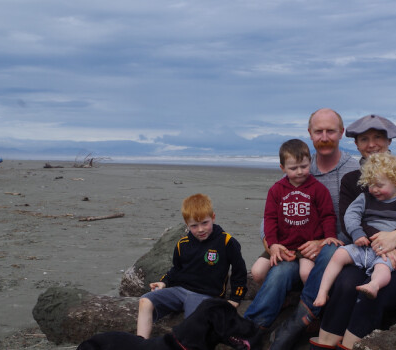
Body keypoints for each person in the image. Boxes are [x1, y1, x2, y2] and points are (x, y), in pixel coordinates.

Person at [310, 114, 396, 350]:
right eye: (364, 139)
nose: (372, 144)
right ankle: (323, 344)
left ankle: (350, 346)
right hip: (364, 254)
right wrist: (380, 243)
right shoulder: (352, 180)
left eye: (378, 137)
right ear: (356, 145)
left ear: (389, 141)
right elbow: (350, 222)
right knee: (345, 286)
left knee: (376, 293)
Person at [244, 108, 359, 349]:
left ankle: (301, 319)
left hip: (328, 246)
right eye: (319, 131)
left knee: (325, 253)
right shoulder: (298, 163)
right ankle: (251, 329)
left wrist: (323, 241)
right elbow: (271, 215)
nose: (324, 136)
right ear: (310, 133)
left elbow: (355, 219)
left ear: (341, 133)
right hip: (291, 244)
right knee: (275, 273)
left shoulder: (353, 171)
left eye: (331, 130)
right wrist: (272, 244)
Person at [314, 152, 396, 307]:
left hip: (390, 253)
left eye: (379, 185)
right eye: (370, 184)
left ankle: (374, 285)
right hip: (364, 248)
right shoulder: (364, 199)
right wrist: (357, 233)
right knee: (339, 255)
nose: (374, 189)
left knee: (383, 269)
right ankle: (322, 292)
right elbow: (350, 216)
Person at [136, 193, 248, 339]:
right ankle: (141, 343)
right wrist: (163, 282)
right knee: (145, 301)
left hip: (206, 296)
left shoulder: (227, 242)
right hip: (179, 290)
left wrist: (235, 299)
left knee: (191, 323)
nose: (200, 229)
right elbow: (176, 269)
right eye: (194, 225)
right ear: (186, 223)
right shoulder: (182, 244)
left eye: (205, 223)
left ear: (213, 217)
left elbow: (240, 272)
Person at [250, 139, 339, 288]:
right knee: (257, 271)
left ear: (310, 162)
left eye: (304, 166)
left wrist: (329, 236)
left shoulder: (318, 189)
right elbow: (270, 219)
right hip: (283, 245)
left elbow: (328, 216)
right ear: (282, 168)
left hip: (307, 246)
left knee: (306, 273)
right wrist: (272, 244)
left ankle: (307, 302)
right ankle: (279, 295)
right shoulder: (276, 190)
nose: (299, 171)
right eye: (293, 168)